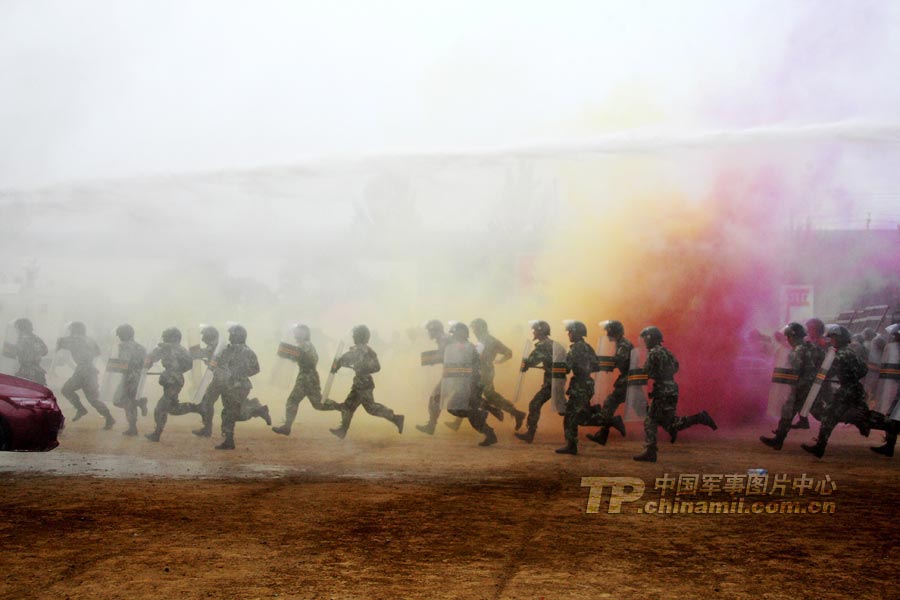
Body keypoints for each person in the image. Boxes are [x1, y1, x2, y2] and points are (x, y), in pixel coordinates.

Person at [633, 326, 717, 463]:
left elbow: (647, 372)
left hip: (662, 390)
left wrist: (636, 374)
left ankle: (650, 451)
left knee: (650, 420)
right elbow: (676, 367)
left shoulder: (653, 353)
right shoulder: (667, 352)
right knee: (669, 423)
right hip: (672, 388)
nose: (644, 341)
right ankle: (700, 418)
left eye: (645, 338)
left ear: (650, 338)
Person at [802, 324, 871, 458]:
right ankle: (820, 446)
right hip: (853, 388)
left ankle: (820, 447)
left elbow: (830, 371)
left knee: (830, 414)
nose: (831, 340)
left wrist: (814, 375)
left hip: (847, 390)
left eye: (833, 337)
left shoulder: (841, 354)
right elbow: (864, 369)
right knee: (853, 416)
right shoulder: (847, 351)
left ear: (840, 338)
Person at [446, 319, 525, 431]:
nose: (474, 331)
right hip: (478, 371)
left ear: (482, 328)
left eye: (475, 329)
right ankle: (457, 423)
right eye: (473, 329)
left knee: (486, 395)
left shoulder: (491, 341)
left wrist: (499, 361)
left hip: (485, 372)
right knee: (470, 394)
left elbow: (509, 352)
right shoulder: (481, 341)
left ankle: (515, 413)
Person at [329, 325, 404, 439]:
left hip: (363, 383)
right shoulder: (366, 350)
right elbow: (351, 361)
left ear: (359, 336)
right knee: (358, 407)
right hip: (362, 382)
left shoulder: (361, 350)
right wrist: (343, 364)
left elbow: (375, 366)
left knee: (363, 407)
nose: (353, 337)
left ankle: (396, 418)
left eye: (355, 335)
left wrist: (340, 363)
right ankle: (343, 430)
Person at [272, 324, 340, 436]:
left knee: (298, 401)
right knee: (315, 403)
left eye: (297, 333)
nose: (295, 335)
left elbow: (303, 356)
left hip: (307, 377)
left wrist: (285, 350)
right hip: (307, 376)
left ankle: (343, 407)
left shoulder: (306, 345)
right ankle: (342, 407)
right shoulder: (305, 345)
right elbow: (297, 355)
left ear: (304, 334)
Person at [760, 322, 818, 450]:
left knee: (817, 413)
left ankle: (779, 440)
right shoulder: (809, 346)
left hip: (801, 386)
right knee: (790, 411)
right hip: (808, 385)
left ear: (793, 336)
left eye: (789, 337)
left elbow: (796, 371)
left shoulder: (797, 351)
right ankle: (779, 439)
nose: (788, 340)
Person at [440, 322, 498, 446]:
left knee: (456, 408)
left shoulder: (466, 347)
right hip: (467, 384)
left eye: (455, 333)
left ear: (461, 333)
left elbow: (468, 367)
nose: (453, 336)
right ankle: (485, 417)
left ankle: (487, 426)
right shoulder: (461, 346)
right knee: (460, 410)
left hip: (471, 384)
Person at [216, 324, 271, 450]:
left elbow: (255, 369)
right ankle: (257, 409)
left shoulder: (245, 351)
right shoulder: (231, 349)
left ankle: (229, 440)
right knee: (230, 412)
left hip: (239, 386)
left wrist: (240, 373)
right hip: (230, 384)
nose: (229, 337)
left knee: (230, 413)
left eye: (231, 335)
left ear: (238, 336)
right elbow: (222, 364)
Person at [145, 327, 200, 442]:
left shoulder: (167, 347)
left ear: (172, 337)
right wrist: (176, 370)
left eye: (166, 336)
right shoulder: (181, 349)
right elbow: (189, 365)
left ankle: (157, 434)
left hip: (173, 381)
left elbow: (152, 358)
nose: (164, 338)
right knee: (173, 408)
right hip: (174, 380)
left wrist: (173, 370)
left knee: (161, 407)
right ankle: (198, 408)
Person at [58, 321, 115, 428]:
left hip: (82, 370)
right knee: (93, 398)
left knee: (66, 390)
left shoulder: (73, 339)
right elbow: (97, 352)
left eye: (71, 329)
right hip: (90, 370)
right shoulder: (89, 339)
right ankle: (108, 417)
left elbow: (60, 342)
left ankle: (81, 409)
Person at [555, 320, 598, 455]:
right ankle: (607, 419)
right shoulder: (588, 347)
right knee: (580, 416)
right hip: (587, 383)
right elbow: (597, 365)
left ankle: (571, 445)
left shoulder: (575, 348)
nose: (569, 334)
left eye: (570, 332)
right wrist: (584, 368)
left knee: (571, 416)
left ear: (577, 333)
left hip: (579, 385)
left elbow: (567, 368)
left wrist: (554, 365)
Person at [585, 320, 629, 446]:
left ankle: (613, 423)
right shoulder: (621, 343)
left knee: (610, 403)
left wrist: (601, 362)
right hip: (628, 380)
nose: (607, 334)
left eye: (608, 331)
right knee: (642, 408)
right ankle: (602, 435)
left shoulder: (624, 345)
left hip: (628, 380)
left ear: (614, 331)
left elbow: (619, 360)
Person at [514, 320, 557, 444]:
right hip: (556, 380)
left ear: (540, 331)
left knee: (534, 404)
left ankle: (530, 433)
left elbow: (533, 361)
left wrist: (526, 363)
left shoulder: (543, 345)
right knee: (565, 408)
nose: (533, 332)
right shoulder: (552, 343)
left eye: (535, 330)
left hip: (551, 382)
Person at [792, 317, 829, 430]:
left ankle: (830, 419)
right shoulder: (806, 341)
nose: (808, 330)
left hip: (817, 376)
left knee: (816, 406)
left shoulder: (824, 342)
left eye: (810, 328)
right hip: (806, 376)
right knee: (798, 398)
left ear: (817, 329)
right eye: (808, 328)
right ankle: (803, 421)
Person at [111, 324, 147, 436]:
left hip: (128, 377)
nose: (119, 337)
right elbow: (145, 363)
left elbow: (124, 362)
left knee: (120, 401)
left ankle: (133, 426)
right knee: (128, 401)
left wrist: (112, 365)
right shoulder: (141, 347)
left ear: (125, 334)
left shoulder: (124, 346)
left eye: (120, 334)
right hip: (137, 376)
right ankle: (133, 426)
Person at [416, 320, 450, 435]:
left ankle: (431, 426)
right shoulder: (445, 338)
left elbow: (443, 355)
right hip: (455, 373)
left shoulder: (443, 339)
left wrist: (432, 360)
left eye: (429, 330)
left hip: (452, 374)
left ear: (435, 330)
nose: (428, 333)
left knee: (435, 398)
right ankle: (431, 425)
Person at [191, 325, 224, 438]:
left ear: (210, 336)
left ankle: (207, 429)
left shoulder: (214, 346)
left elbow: (197, 354)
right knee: (209, 402)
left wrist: (193, 348)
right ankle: (207, 429)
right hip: (223, 379)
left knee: (208, 402)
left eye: (204, 335)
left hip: (221, 380)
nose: (203, 338)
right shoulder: (218, 345)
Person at [12, 318, 48, 385]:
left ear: (22, 329)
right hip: (38, 373)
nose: (16, 331)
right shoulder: (37, 338)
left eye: (17, 328)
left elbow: (14, 354)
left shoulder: (22, 340)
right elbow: (45, 351)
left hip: (25, 374)